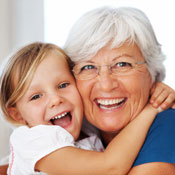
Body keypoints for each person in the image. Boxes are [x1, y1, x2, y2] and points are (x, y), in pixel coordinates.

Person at [0, 42, 174, 175]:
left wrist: (155, 91)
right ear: (17, 114)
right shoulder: (33, 140)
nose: (55, 100)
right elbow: (110, 167)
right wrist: (152, 106)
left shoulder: (87, 128)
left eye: (63, 85)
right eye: (36, 96)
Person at [62, 6, 175, 174]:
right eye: (88, 67)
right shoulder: (75, 133)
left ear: (152, 73)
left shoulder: (168, 124)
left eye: (122, 64)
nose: (106, 85)